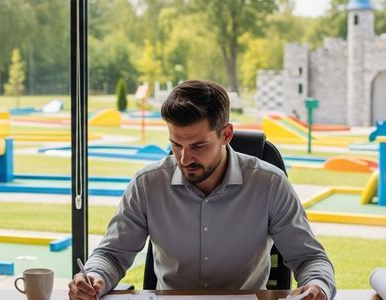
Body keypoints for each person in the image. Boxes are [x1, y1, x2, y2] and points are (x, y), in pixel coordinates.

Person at [68, 80, 335, 300]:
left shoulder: (270, 184)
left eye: (198, 146)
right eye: (176, 145)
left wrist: (318, 286)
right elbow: (112, 254)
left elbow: (310, 258)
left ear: (226, 135)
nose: (184, 159)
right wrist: (95, 276)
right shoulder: (147, 184)